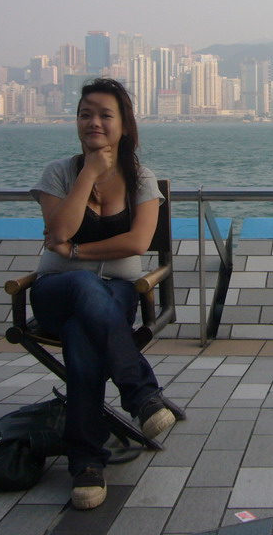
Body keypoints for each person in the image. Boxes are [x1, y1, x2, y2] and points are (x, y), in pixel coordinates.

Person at [29, 77, 177, 510]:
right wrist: (89, 172)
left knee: (82, 336)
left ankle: (87, 463)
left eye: (104, 114)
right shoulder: (58, 172)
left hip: (113, 299)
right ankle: (140, 394)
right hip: (56, 292)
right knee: (80, 283)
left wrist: (74, 250)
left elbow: (135, 244)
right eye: (85, 113)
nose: (93, 121)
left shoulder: (140, 179)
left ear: (124, 125)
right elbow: (57, 228)